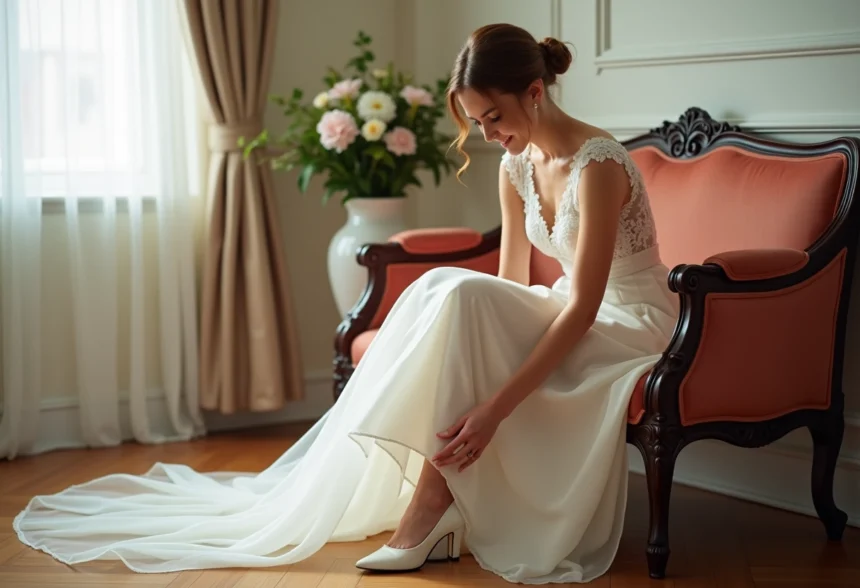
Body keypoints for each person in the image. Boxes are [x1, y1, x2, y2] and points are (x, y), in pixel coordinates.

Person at [13, 23, 679, 585]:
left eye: (494, 118)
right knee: (451, 289)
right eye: (477, 122)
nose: (487, 135)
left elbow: (585, 307)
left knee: (459, 292)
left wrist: (494, 410)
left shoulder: (596, 165)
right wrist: (488, 369)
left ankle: (431, 504)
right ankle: (437, 497)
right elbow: (508, 284)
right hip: (564, 304)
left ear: (534, 92)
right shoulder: (516, 166)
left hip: (630, 321)